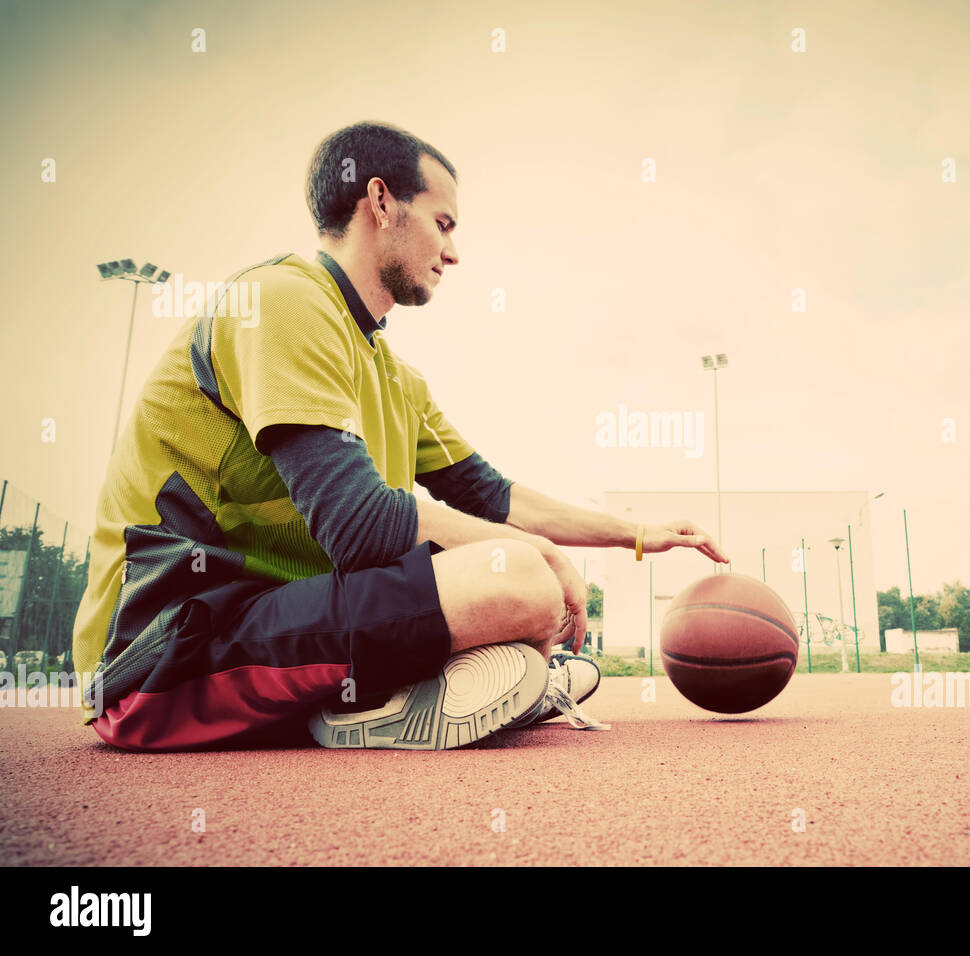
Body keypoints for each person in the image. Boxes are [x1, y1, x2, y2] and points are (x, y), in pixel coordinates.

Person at [71, 121, 728, 752]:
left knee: (512, 572)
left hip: (272, 620)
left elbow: (491, 496)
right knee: (517, 576)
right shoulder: (280, 300)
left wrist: (637, 534)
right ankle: (378, 704)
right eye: (443, 224)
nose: (454, 251)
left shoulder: (395, 377)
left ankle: (393, 693)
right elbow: (358, 527)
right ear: (381, 201)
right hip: (164, 653)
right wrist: (536, 556)